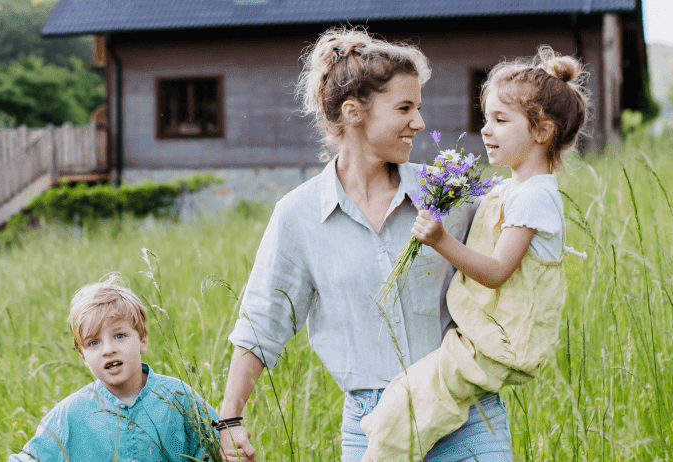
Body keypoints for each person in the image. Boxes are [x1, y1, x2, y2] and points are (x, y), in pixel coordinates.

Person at [218, 27, 507, 462]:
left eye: (419, 107)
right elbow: (263, 323)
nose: (420, 123)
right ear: (354, 113)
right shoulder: (299, 215)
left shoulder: (448, 196)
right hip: (372, 424)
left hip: (462, 410)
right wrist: (230, 417)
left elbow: (508, 251)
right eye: (405, 108)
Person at [359, 45, 591, 461]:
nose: (486, 130)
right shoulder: (513, 191)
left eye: (501, 120)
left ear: (542, 131)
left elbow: (499, 270)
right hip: (477, 339)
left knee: (404, 411)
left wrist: (439, 240)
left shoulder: (534, 198)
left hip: (494, 343)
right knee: (405, 402)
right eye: (486, 118)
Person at [10, 275, 219, 462]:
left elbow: (221, 446)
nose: (108, 350)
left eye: (120, 336)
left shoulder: (179, 397)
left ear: (142, 340)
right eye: (94, 343)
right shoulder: (70, 414)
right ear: (83, 356)